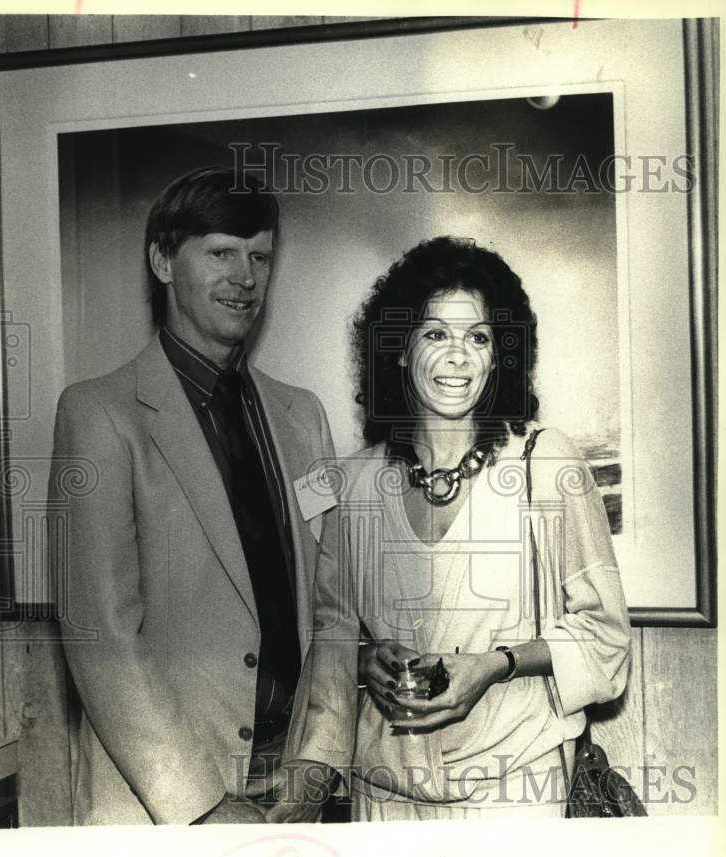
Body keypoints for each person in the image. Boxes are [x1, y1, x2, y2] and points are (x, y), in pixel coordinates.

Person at [269, 236, 631, 822]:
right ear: (400, 350)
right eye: (436, 333)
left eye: (478, 337)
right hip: (382, 802)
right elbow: (330, 640)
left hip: (515, 794)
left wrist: (495, 665)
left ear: (499, 357)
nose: (458, 356)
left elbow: (607, 640)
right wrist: (366, 661)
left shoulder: (547, 463)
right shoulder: (351, 484)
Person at [48, 167, 334, 825]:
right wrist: (200, 806)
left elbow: (332, 602)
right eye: (220, 253)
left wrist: (321, 757)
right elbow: (101, 636)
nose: (245, 276)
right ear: (163, 261)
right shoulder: (98, 415)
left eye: (259, 256)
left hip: (292, 796)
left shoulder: (302, 416)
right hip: (167, 807)